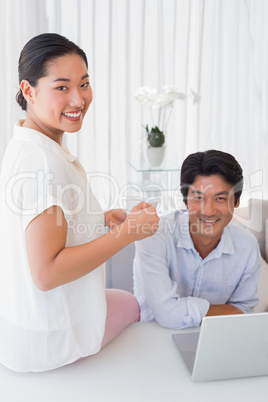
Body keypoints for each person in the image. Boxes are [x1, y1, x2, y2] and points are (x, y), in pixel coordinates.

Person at [0, 33, 159, 372]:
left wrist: (98, 218)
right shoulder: (43, 162)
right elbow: (47, 272)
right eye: (62, 87)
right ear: (29, 91)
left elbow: (34, 226)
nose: (78, 99)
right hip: (48, 342)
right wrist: (128, 233)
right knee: (130, 304)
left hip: (20, 331)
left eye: (84, 84)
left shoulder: (25, 144)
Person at [133, 150, 261, 329]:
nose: (208, 211)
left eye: (220, 198)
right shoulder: (154, 235)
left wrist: (179, 310)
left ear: (236, 201)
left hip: (217, 339)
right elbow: (166, 315)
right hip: (153, 338)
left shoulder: (247, 246)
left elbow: (243, 313)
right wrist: (227, 312)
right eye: (199, 198)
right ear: (186, 200)